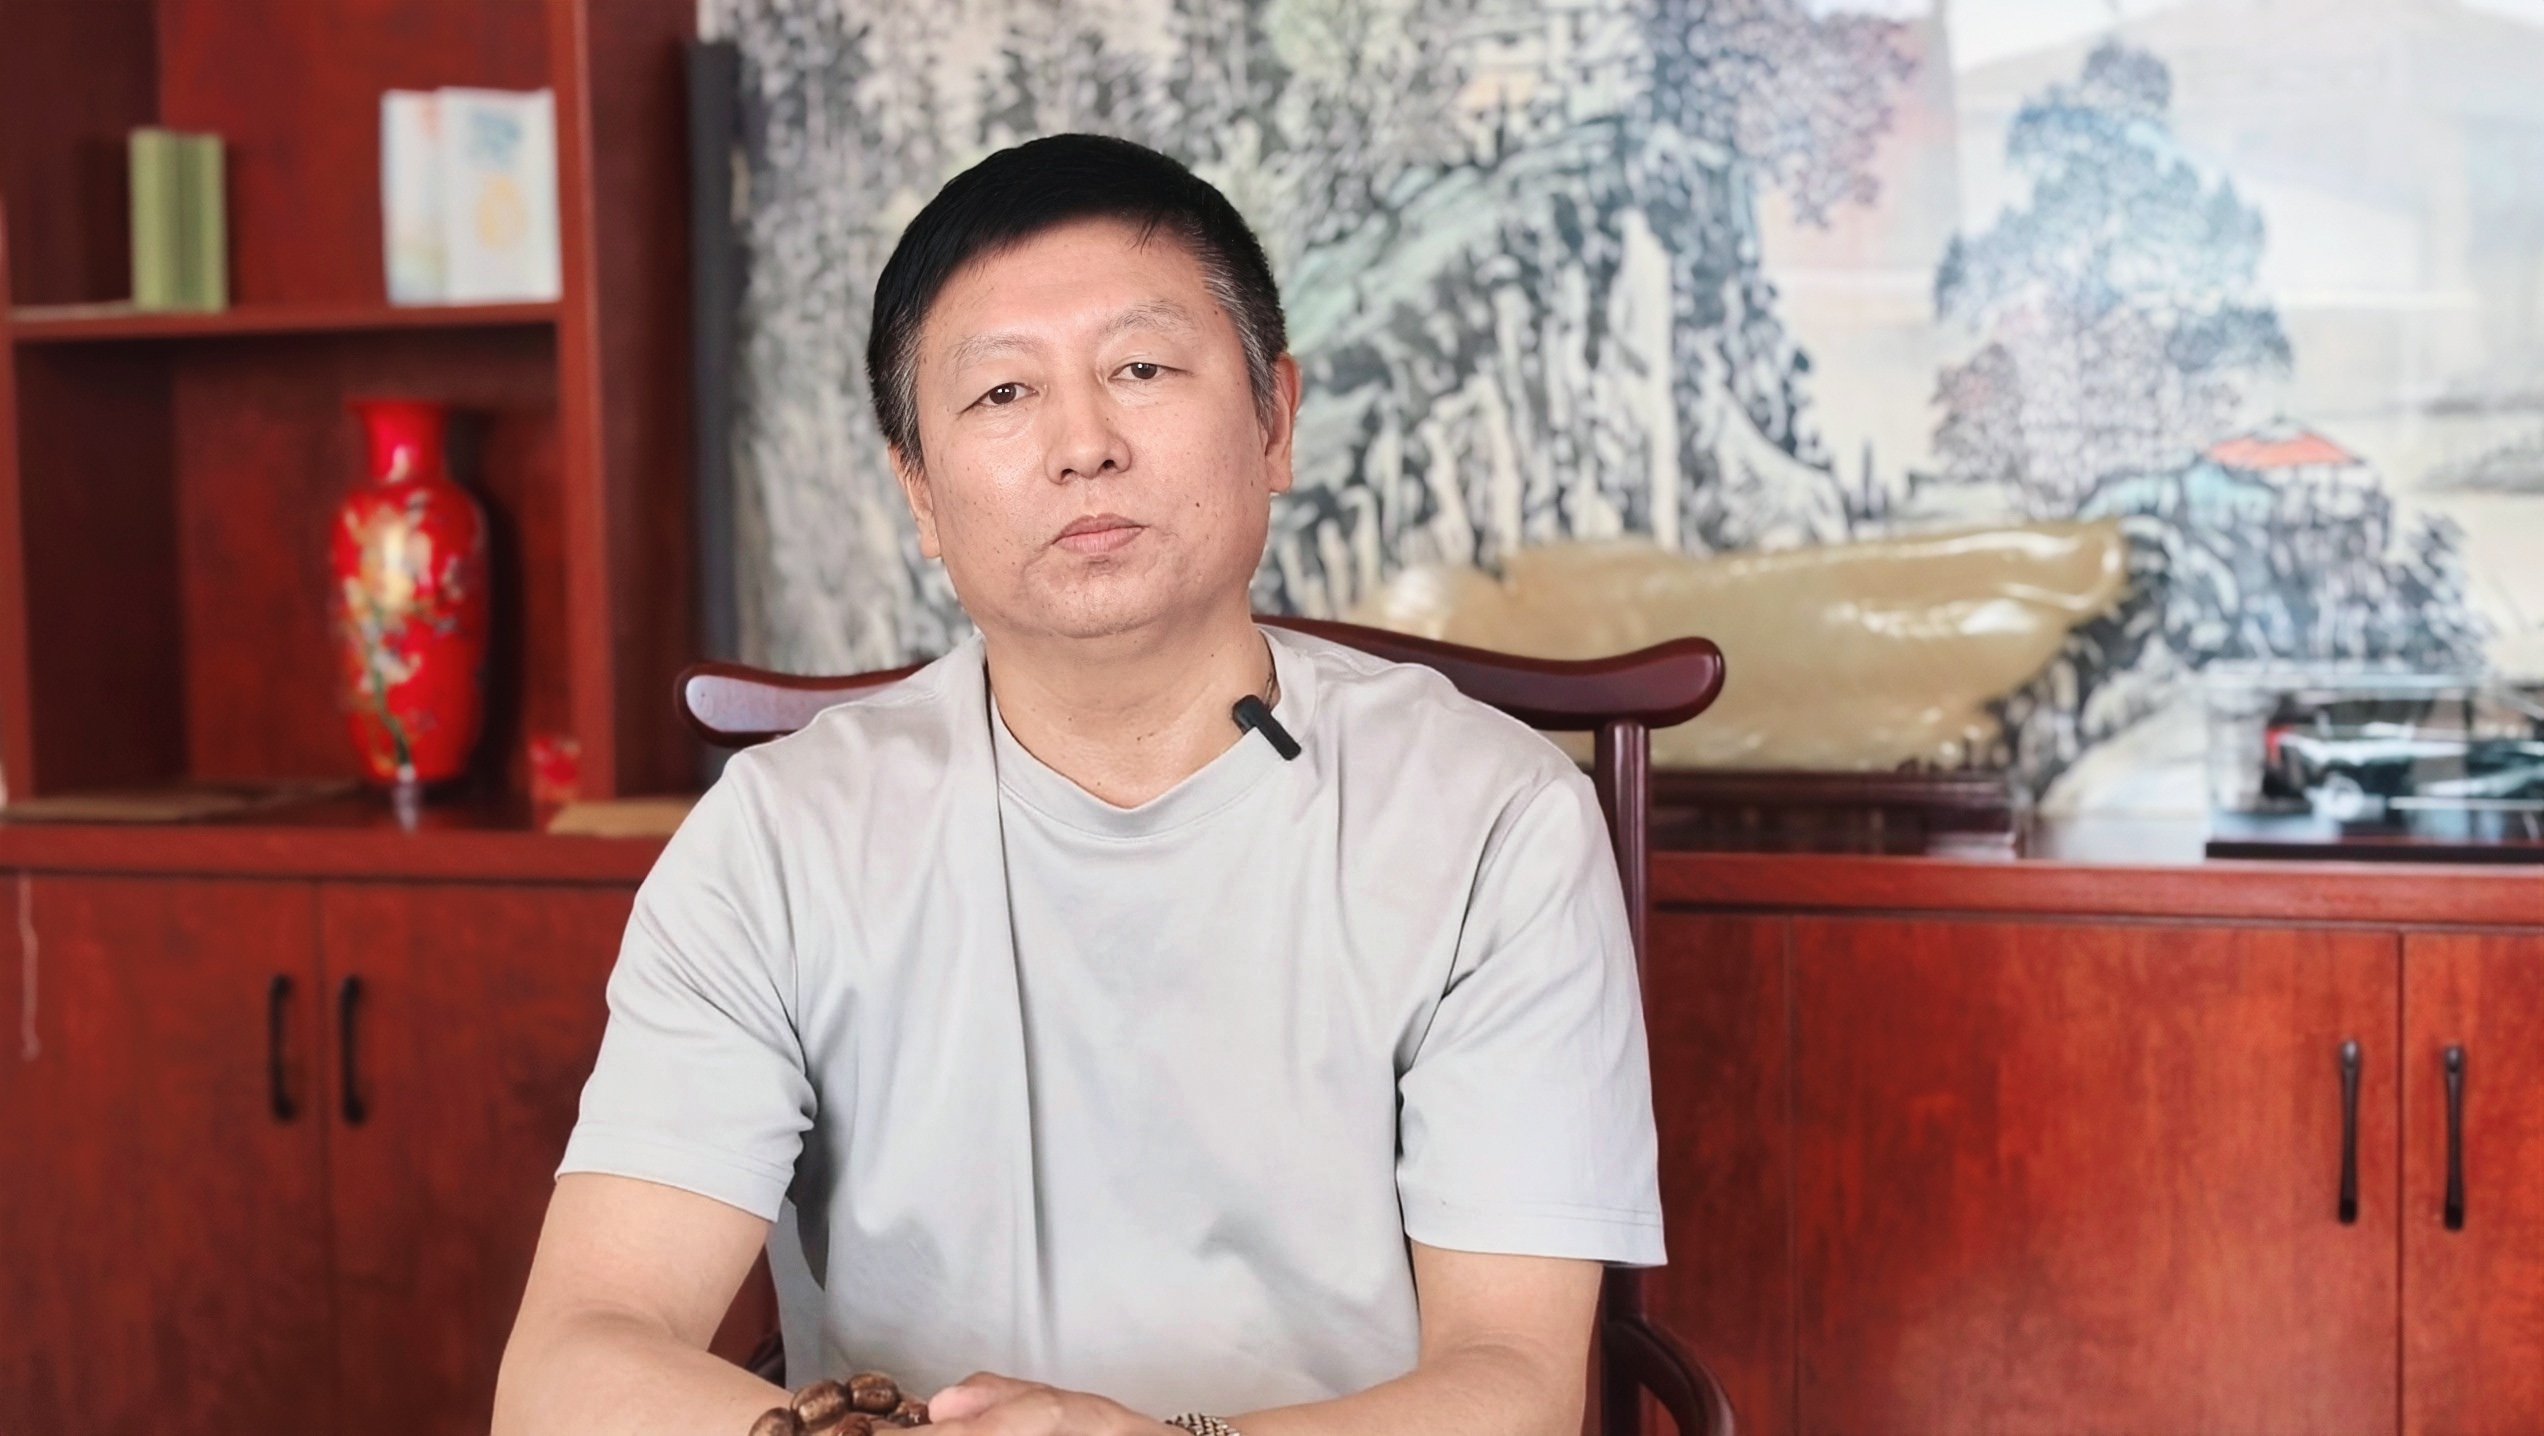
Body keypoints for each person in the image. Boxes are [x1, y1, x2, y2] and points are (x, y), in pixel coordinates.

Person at [492, 133, 1662, 1436]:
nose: (1082, 445)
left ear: (1274, 419)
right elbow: (570, 1366)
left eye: (1141, 369)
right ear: (919, 489)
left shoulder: (1490, 821)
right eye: (1003, 392)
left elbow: (1515, 1390)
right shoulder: (782, 838)